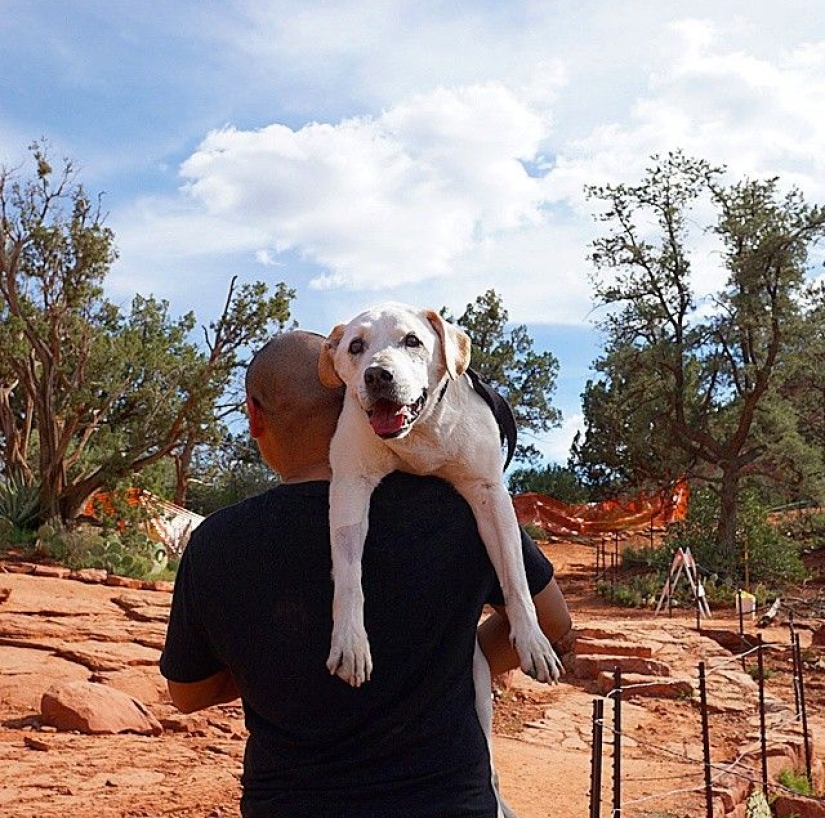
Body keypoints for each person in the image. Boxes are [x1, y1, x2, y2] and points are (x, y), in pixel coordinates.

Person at [160, 330, 573, 818]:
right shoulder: (461, 511)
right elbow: (553, 626)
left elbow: (188, 694)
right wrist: (453, 653)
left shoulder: (217, 542)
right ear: (357, 397)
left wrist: (276, 661)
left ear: (254, 416)